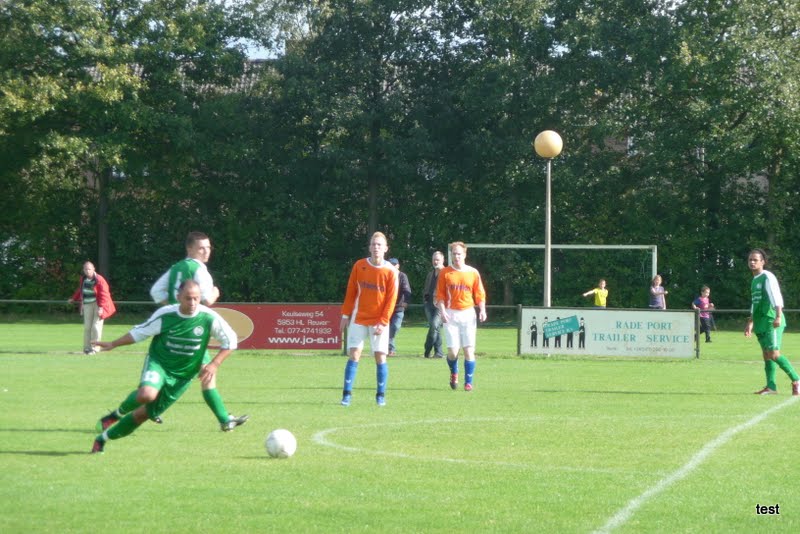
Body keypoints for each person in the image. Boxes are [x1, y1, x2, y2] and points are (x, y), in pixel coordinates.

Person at [91, 280, 239, 453]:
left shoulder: (208, 317)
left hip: (183, 376)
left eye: (196, 298)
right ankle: (116, 414)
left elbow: (231, 340)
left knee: (142, 415)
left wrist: (214, 364)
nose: (192, 303)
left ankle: (102, 439)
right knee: (147, 394)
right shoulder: (166, 314)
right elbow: (139, 333)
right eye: (188, 298)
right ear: (178, 297)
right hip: (159, 364)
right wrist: (114, 343)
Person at [149, 231, 248, 431]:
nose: (206, 251)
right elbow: (207, 300)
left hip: (172, 327)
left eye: (208, 247)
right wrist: (216, 292)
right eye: (201, 248)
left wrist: (175, 308)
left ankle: (224, 419)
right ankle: (146, 410)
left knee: (203, 373)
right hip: (191, 329)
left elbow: (155, 292)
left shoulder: (176, 268)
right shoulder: (200, 270)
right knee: (201, 374)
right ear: (189, 248)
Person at [339, 232, 399, 406]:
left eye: (379, 245)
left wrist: (383, 321)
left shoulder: (391, 271)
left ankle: (380, 396)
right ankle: (346, 395)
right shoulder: (359, 265)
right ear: (369, 247)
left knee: (380, 356)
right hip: (359, 318)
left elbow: (391, 300)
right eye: (373, 244)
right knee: (354, 354)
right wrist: (345, 315)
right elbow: (351, 291)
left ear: (386, 248)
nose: (376, 247)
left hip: (379, 321)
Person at [744, 249, 799, 396]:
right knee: (766, 355)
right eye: (750, 260)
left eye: (755, 260)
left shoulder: (767, 276)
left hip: (771, 320)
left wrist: (778, 316)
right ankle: (771, 386)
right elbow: (755, 302)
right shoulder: (754, 280)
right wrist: (750, 322)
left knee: (774, 354)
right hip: (760, 322)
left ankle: (796, 379)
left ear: (763, 262)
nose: (752, 262)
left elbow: (776, 296)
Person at [437, 241, 487, 391]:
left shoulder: (473, 272)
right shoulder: (445, 272)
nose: (456, 256)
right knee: (453, 352)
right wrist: (442, 311)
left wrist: (482, 310)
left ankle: (468, 382)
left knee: (468, 350)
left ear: (464, 254)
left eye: (459, 254)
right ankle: (454, 372)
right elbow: (440, 295)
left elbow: (479, 294)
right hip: (451, 314)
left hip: (468, 314)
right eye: (454, 254)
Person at [68, 261, 116, 354]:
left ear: (93, 269)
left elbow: (104, 295)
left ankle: (94, 348)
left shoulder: (100, 279)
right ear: (83, 270)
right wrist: (73, 298)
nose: (87, 271)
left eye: (89, 269)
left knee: (96, 326)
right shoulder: (83, 279)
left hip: (99, 304)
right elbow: (80, 290)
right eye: (86, 269)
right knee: (87, 327)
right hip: (87, 304)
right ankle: (87, 348)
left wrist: (101, 308)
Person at [423, 251, 446, 358]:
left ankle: (427, 350)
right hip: (429, 305)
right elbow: (426, 288)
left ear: (442, 260)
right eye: (434, 260)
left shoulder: (446, 273)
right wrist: (425, 300)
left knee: (434, 326)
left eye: (437, 260)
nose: (435, 262)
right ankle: (438, 352)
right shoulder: (430, 274)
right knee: (435, 328)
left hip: (440, 305)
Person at [387, 257, 412, 356]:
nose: (392, 266)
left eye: (394, 265)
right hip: (387, 307)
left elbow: (407, 290)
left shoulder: (402, 276)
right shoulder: (386, 275)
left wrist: (406, 301)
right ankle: (390, 349)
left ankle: (389, 346)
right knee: (386, 328)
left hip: (398, 307)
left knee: (395, 327)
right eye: (390, 265)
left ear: (398, 266)